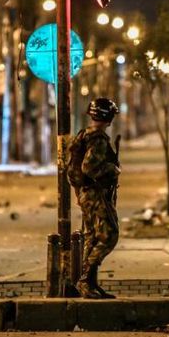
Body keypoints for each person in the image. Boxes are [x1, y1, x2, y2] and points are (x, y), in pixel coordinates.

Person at [68, 98, 120, 299]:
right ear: (109, 117)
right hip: (95, 193)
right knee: (109, 235)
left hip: (85, 192)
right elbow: (88, 167)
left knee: (92, 236)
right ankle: (85, 280)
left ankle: (89, 283)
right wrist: (112, 169)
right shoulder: (97, 139)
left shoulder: (83, 135)